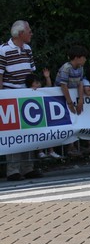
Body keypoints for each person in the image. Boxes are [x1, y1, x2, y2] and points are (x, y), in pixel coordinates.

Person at [0, 20, 43, 181]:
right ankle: (13, 170)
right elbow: (0, 74)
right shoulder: (4, 50)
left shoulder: (28, 49)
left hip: (26, 96)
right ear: (20, 34)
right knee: (14, 133)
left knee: (28, 132)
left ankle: (28, 167)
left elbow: (31, 72)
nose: (31, 33)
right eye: (29, 31)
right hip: (11, 96)